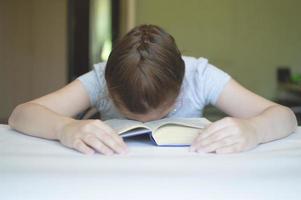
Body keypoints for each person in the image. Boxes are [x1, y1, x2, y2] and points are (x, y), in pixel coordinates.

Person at [9, 24, 297, 155]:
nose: (145, 125)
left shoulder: (199, 76)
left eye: (161, 113)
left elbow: (285, 116)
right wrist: (65, 129)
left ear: (181, 88)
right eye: (131, 116)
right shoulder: (100, 79)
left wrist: (254, 130)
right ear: (109, 89)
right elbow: (21, 114)